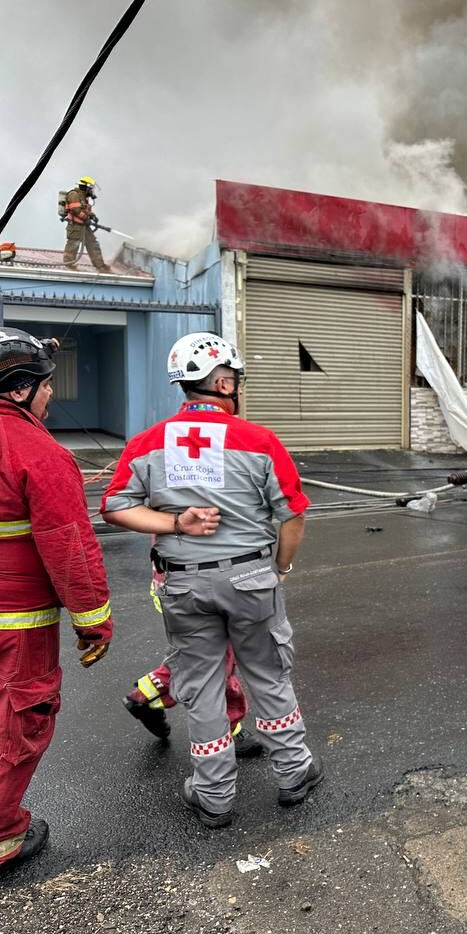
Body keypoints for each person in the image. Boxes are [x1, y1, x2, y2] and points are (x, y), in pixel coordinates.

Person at [101, 332, 319, 828]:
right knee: (268, 675)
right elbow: (293, 516)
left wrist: (175, 523)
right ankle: (294, 774)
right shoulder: (259, 441)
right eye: (235, 381)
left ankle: (214, 795)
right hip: (250, 578)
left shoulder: (146, 443)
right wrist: (280, 567)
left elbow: (115, 507)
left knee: (199, 686)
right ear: (222, 383)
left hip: (181, 586)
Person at [0, 327, 113, 891]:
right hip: (4, 628)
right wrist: (93, 621)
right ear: (21, 391)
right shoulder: (37, 451)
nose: (49, 396)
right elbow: (70, 546)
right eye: (45, 385)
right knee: (5, 726)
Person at [123, 568, 261, 757]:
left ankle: (146, 694)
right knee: (216, 662)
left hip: (178, 584)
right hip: (205, 583)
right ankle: (229, 728)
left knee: (199, 656)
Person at [60, 176, 109, 272]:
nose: (92, 191)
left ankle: (100, 265)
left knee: (93, 244)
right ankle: (68, 265)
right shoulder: (74, 195)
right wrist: (86, 219)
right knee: (73, 245)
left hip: (83, 226)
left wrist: (92, 216)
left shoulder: (83, 197)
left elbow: (84, 209)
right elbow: (75, 210)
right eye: (91, 189)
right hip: (74, 226)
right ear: (85, 187)